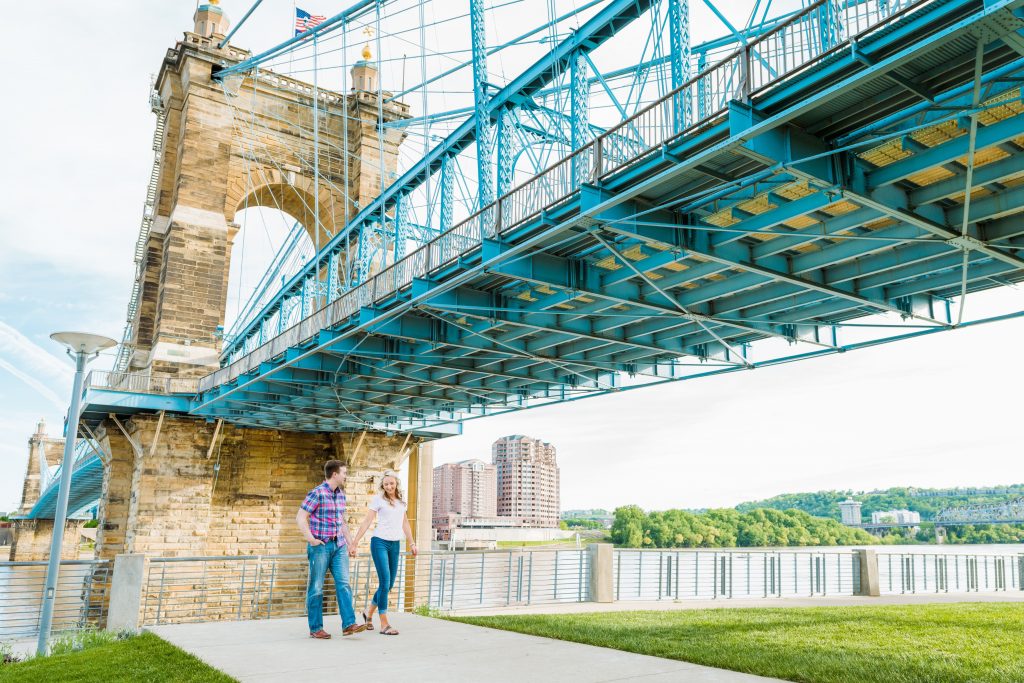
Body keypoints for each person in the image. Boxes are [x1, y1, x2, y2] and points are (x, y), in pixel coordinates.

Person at [296, 459, 367, 639]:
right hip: (320, 546)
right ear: (335, 474)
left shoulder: (341, 494)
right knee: (317, 587)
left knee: (344, 584)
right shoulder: (317, 493)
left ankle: (349, 624)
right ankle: (315, 628)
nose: (346, 476)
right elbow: (300, 517)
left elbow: (341, 522)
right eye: (344, 473)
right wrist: (311, 540)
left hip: (339, 546)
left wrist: (351, 543)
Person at [351, 471, 418, 635]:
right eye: (386, 484)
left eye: (391, 483)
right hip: (379, 542)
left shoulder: (402, 502)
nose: (389, 486)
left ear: (396, 483)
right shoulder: (378, 500)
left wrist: (412, 543)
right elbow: (367, 521)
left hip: (395, 544)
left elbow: (405, 524)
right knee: (385, 580)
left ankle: (368, 613)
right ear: (383, 485)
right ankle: (384, 623)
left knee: (389, 584)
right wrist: (355, 542)